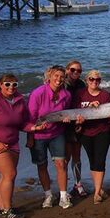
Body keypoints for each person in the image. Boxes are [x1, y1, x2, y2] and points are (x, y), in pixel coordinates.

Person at [0, 74, 45, 218]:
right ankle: (7, 209)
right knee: (10, 174)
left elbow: (22, 123)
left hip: (12, 143)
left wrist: (35, 128)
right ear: (0, 85)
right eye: (7, 84)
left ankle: (2, 207)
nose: (11, 87)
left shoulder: (19, 101)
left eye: (14, 84)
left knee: (6, 176)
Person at [27, 65, 73, 209]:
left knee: (61, 164)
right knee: (42, 165)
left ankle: (63, 197)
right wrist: (30, 137)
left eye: (62, 76)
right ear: (49, 76)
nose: (59, 79)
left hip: (57, 133)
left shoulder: (66, 95)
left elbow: (66, 113)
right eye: (56, 76)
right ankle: (48, 195)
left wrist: (67, 119)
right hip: (38, 135)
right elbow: (30, 118)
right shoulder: (38, 93)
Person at [72, 70, 110, 205]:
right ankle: (99, 189)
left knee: (100, 161)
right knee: (93, 161)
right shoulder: (80, 94)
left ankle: (96, 193)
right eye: (91, 79)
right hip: (86, 132)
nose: (94, 82)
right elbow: (75, 112)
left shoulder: (105, 95)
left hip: (102, 131)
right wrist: (78, 121)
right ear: (86, 80)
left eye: (97, 80)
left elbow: (109, 116)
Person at [64, 60, 88, 197]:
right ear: (67, 70)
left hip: (77, 121)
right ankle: (65, 187)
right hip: (64, 124)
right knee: (66, 156)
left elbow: (83, 103)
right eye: (73, 70)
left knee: (77, 155)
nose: (75, 73)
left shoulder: (81, 84)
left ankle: (77, 184)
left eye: (79, 71)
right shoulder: (62, 84)